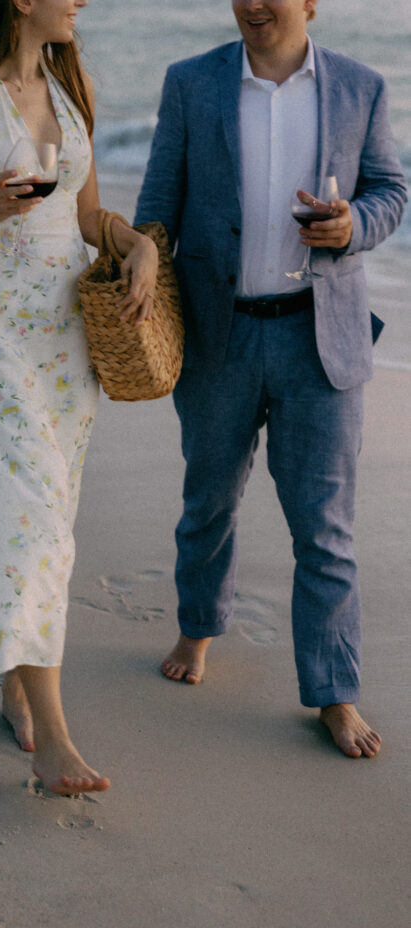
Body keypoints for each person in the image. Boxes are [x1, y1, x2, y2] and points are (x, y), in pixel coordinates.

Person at [0, 0, 157, 793]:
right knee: (29, 517)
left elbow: (82, 216)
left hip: (64, 338)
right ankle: (54, 739)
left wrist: (135, 242)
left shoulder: (64, 88)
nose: (80, 1)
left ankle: (15, 681)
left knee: (52, 512)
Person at [135, 0, 407, 757]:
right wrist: (140, 261)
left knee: (324, 527)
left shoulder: (361, 86)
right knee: (208, 498)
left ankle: (332, 693)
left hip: (320, 339)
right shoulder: (190, 82)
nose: (254, 4)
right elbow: (159, 201)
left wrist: (352, 224)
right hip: (217, 334)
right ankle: (197, 628)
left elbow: (391, 190)